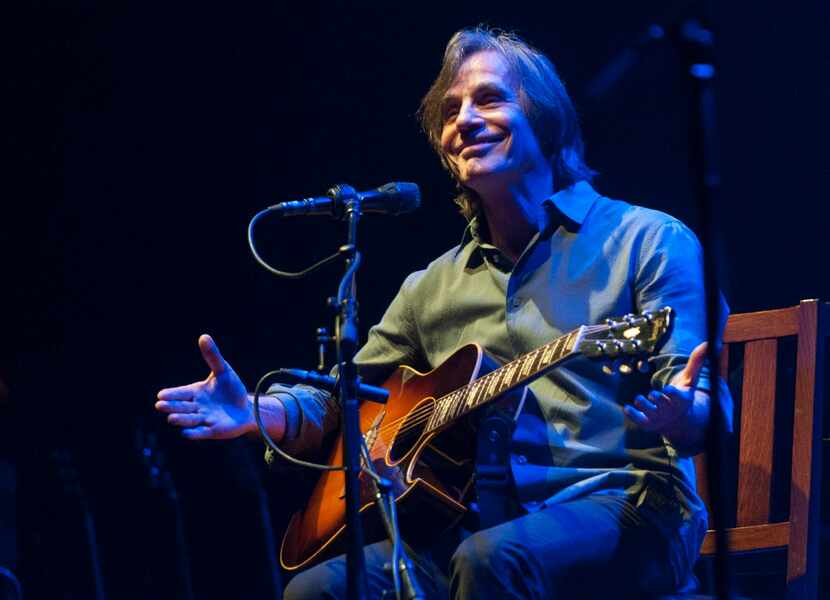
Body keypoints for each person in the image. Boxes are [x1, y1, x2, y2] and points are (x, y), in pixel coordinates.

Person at [155, 27, 729, 599]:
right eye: (450, 113)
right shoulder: (432, 287)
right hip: (476, 523)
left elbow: (700, 400)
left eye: (490, 99)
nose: (464, 121)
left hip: (629, 506)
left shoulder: (648, 240)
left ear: (545, 117)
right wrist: (260, 411)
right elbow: (345, 395)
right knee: (318, 590)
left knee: (490, 561)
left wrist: (685, 413)